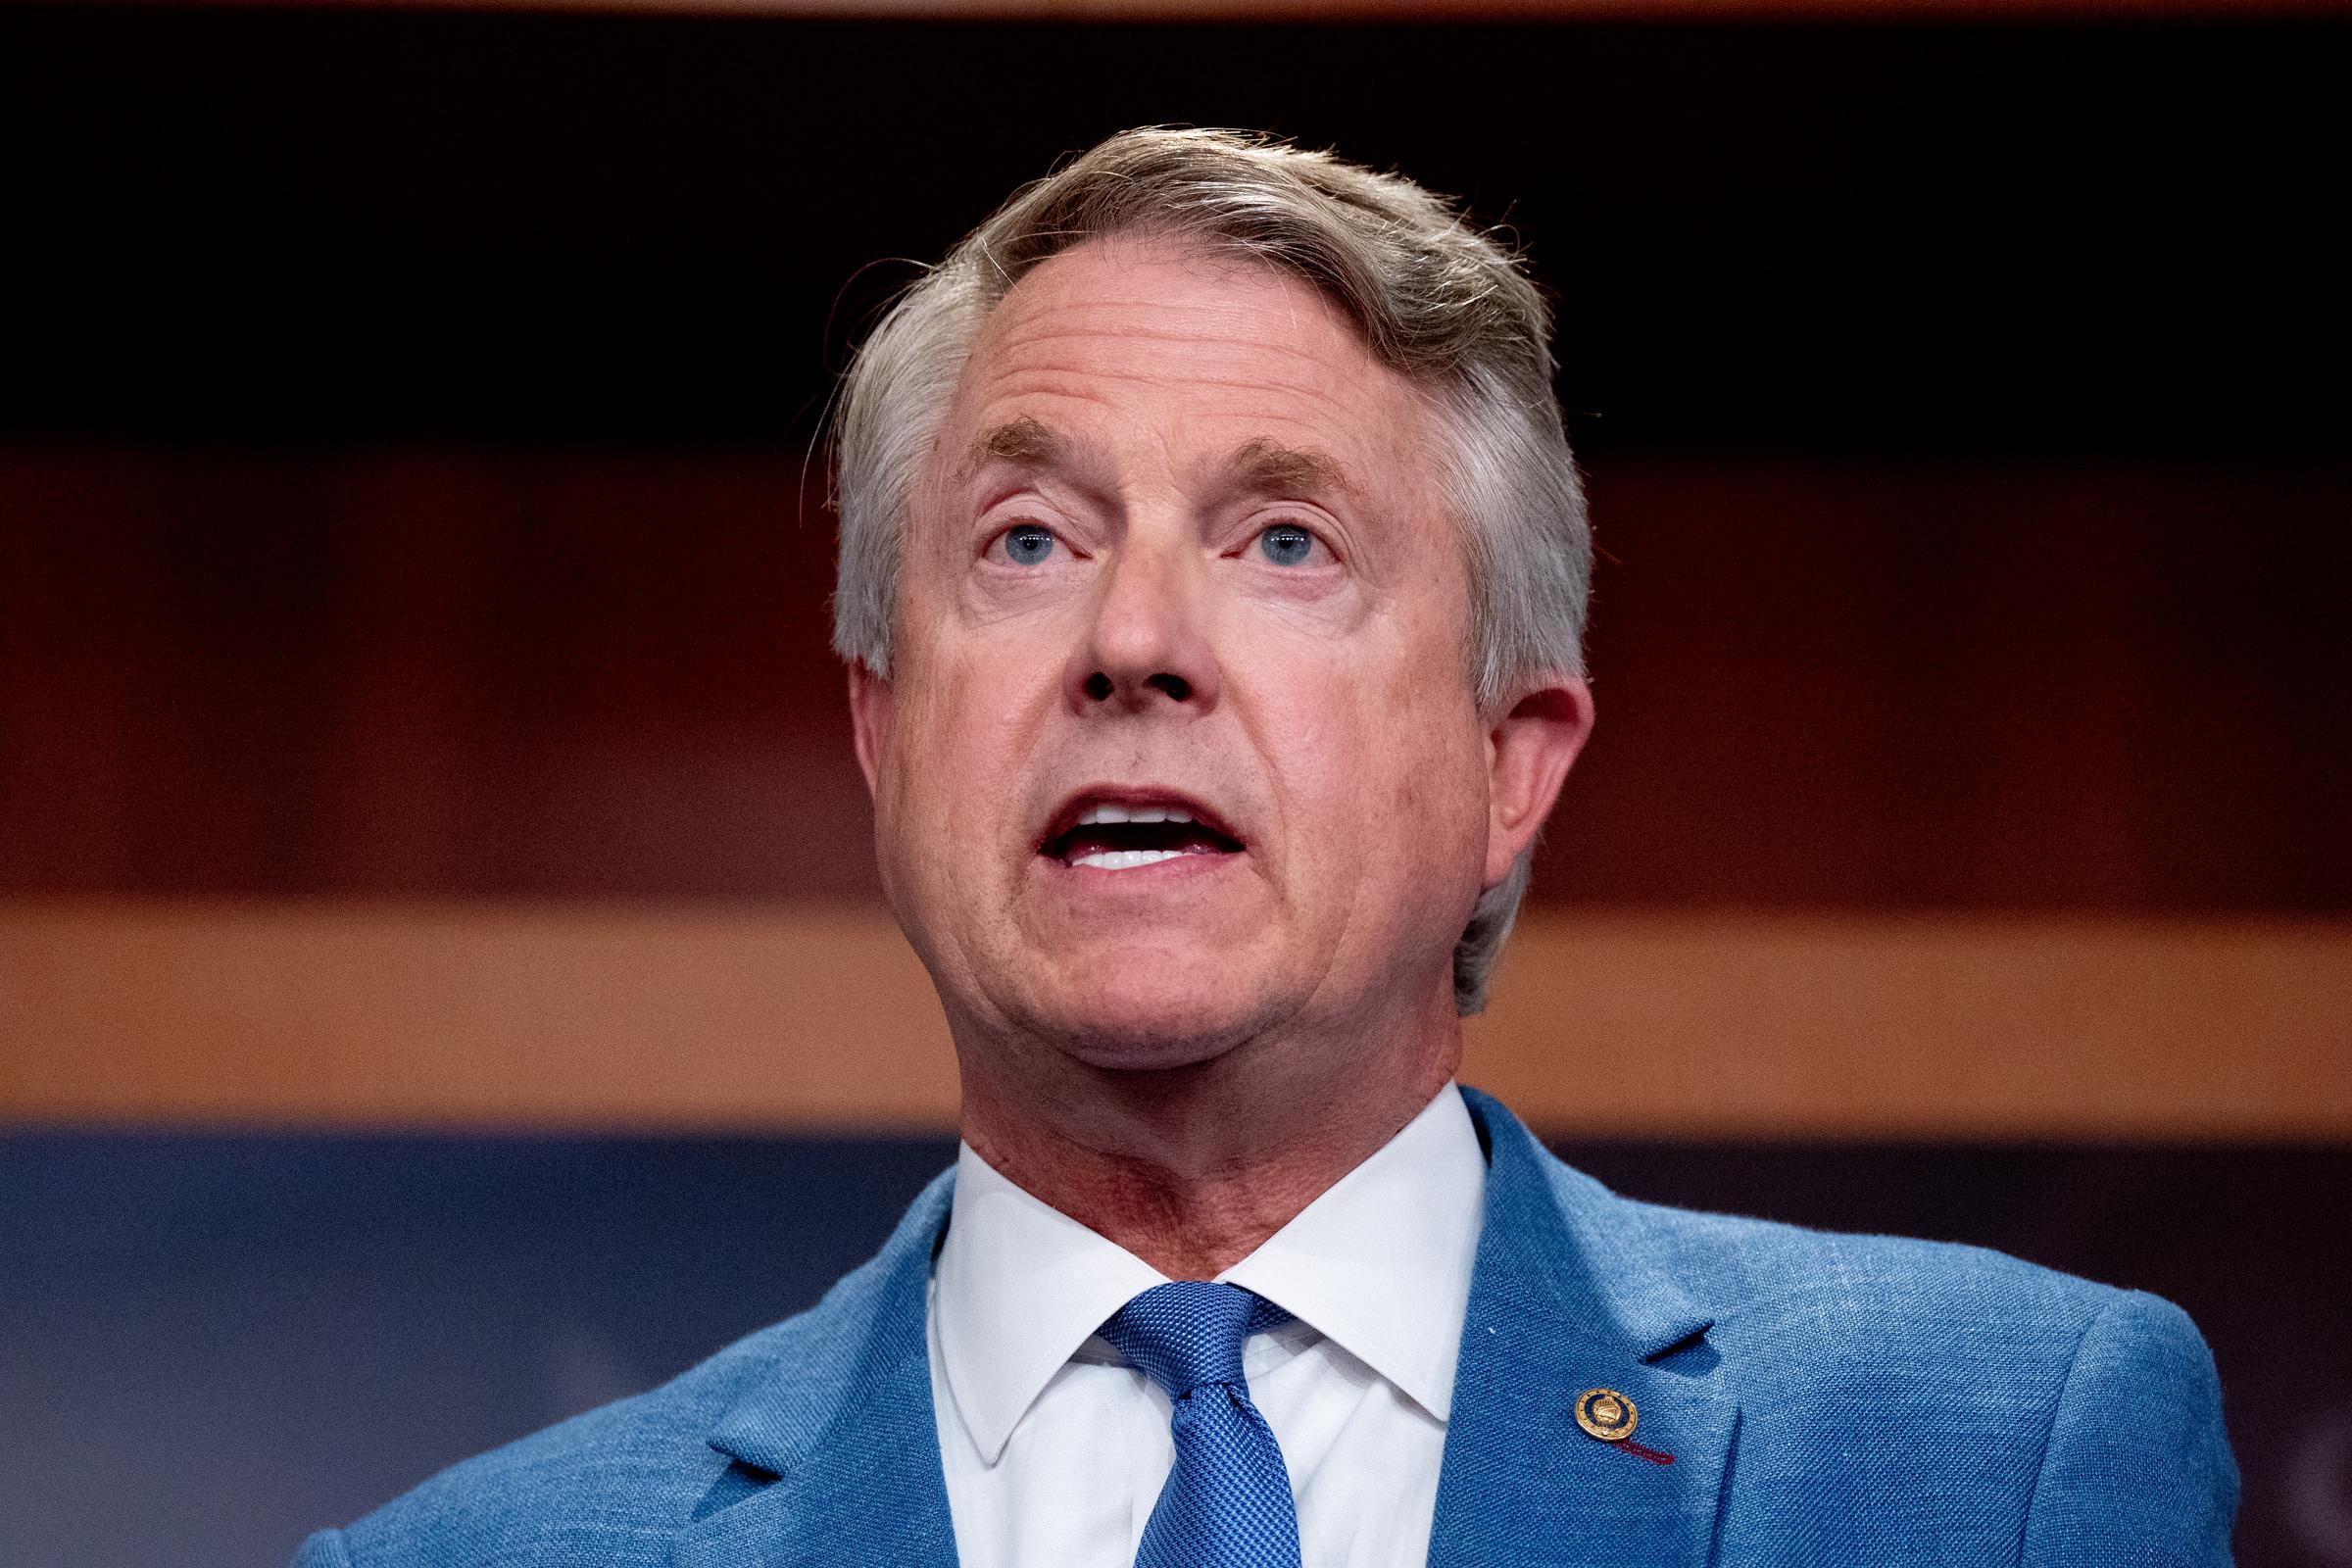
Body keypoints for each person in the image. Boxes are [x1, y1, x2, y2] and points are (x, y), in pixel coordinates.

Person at [292, 127, 2236, 1567]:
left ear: (1510, 761)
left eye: (1284, 541)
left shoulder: (1998, 1457)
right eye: (1027, 542)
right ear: (886, 739)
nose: (1132, 639)